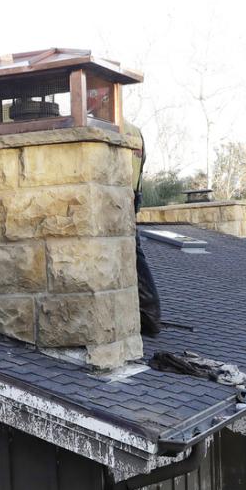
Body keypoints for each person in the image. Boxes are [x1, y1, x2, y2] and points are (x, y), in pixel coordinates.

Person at [87, 88, 161, 335]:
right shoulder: (135, 131)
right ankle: (145, 314)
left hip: (118, 200)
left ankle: (149, 317)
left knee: (131, 257)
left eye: (94, 106)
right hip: (130, 200)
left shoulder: (114, 131)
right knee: (131, 256)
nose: (93, 111)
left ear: (106, 102)